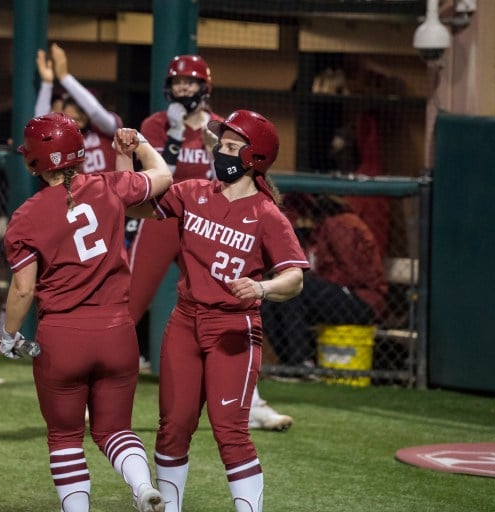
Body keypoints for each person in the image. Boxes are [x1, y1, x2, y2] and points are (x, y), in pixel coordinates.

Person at [127, 109, 309, 511]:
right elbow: (136, 208)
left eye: (230, 147)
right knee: (173, 427)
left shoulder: (267, 214)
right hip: (185, 321)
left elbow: (294, 278)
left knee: (230, 433)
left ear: (254, 158)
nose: (219, 153)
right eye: (221, 146)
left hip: (234, 327)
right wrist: (134, 155)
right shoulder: (192, 192)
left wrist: (261, 287)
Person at [0, 112, 171, 512]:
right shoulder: (108, 186)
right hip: (118, 333)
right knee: (114, 429)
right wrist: (137, 145)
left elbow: (23, 289)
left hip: (63, 338)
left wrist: (9, 336)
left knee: (64, 436)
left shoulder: (26, 216)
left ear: (35, 161)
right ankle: (143, 486)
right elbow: (162, 176)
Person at [131, 54, 292, 430]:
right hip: (163, 220)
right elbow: (155, 181)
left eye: (189, 82)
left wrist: (212, 149)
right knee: (129, 306)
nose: (183, 88)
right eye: (177, 82)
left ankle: (250, 404)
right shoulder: (155, 124)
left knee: (231, 305)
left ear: (204, 86)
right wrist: (171, 138)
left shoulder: (222, 131)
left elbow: (228, 181)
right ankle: (99, 394)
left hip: (206, 223)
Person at [262, 192, 388, 367]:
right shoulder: (312, 235)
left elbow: (355, 275)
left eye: (298, 214)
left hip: (362, 300)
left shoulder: (339, 224)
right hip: (334, 297)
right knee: (269, 298)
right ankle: (289, 363)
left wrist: (318, 280)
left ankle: (302, 362)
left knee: (299, 286)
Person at [34, 43, 121, 174]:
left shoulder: (104, 130)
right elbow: (40, 129)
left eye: (79, 116)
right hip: (78, 193)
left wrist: (65, 77)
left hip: (110, 191)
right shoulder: (63, 138)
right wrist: (47, 83)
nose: (75, 121)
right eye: (70, 118)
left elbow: (96, 112)